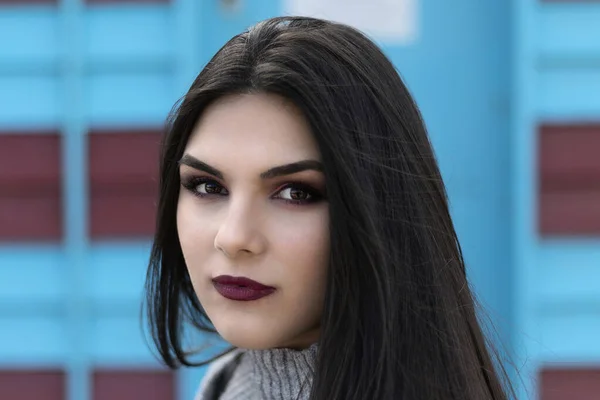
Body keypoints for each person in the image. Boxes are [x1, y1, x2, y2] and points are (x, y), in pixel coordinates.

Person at [144, 16, 516, 400]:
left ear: (379, 209)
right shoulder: (227, 383)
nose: (234, 237)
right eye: (207, 186)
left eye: (296, 193)